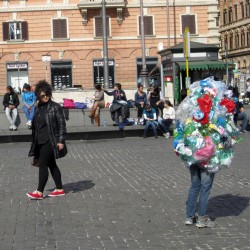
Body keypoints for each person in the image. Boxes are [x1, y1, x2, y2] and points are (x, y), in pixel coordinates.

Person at [27, 80, 67, 200]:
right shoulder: (39, 107)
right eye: (42, 96)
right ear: (38, 96)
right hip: (40, 140)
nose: (45, 97)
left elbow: (62, 124)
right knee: (52, 164)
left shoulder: (55, 107)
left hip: (51, 140)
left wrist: (61, 141)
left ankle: (39, 192)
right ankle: (59, 189)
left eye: (47, 95)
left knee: (43, 164)